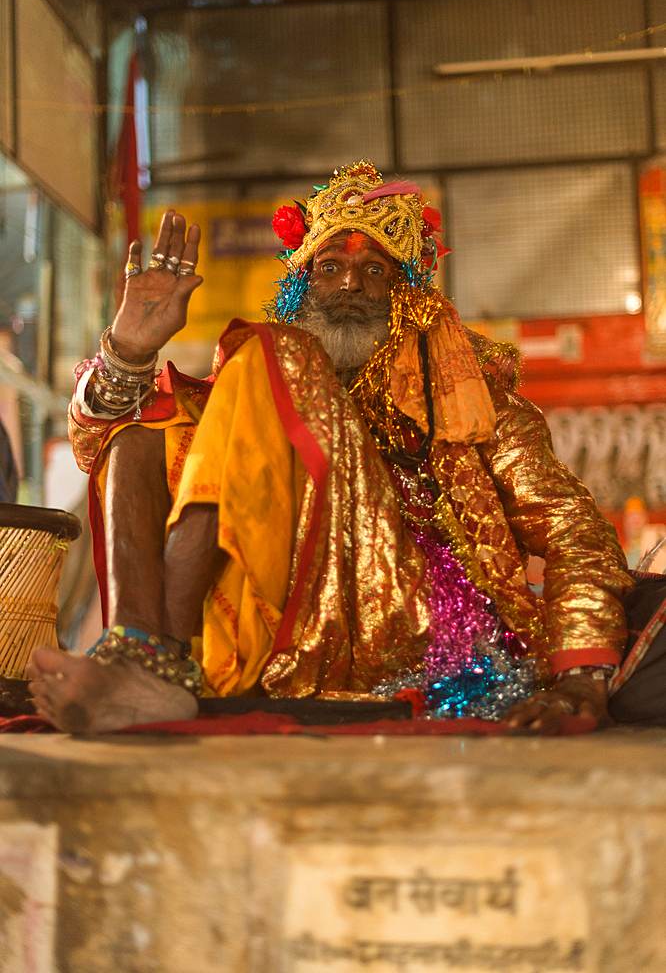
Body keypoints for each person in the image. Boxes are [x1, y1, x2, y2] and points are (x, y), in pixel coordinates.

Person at [27, 161, 651, 734]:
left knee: (275, 351)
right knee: (142, 427)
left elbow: (575, 532)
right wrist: (129, 352)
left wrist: (581, 673)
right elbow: (94, 443)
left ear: (404, 297)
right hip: (269, 632)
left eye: (374, 269)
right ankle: (142, 654)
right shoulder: (252, 395)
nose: (350, 282)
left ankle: (155, 662)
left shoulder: (469, 402)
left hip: (409, 632)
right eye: (330, 266)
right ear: (303, 285)